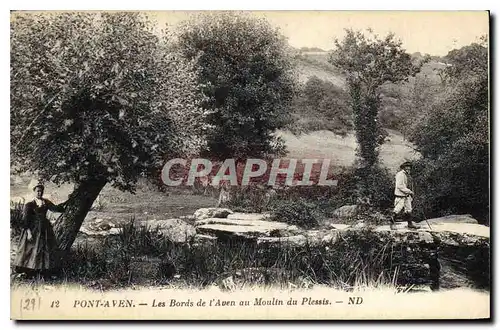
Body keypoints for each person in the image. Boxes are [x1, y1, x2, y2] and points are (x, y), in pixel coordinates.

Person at [13, 182, 67, 278]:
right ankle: (30, 271)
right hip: (33, 229)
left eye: (41, 191)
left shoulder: (46, 202)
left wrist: (68, 202)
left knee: (45, 249)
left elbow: (55, 208)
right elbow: (25, 221)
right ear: (34, 192)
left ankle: (43, 271)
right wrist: (29, 233)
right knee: (31, 249)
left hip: (45, 229)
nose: (39, 193)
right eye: (38, 191)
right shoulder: (29, 204)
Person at [390, 161, 418, 230]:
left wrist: (410, 193)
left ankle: (410, 224)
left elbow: (409, 185)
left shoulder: (407, 175)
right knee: (397, 209)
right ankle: (392, 223)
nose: (408, 169)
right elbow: (400, 186)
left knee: (408, 209)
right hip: (400, 195)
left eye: (409, 168)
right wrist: (409, 191)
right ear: (404, 168)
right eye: (407, 168)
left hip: (407, 195)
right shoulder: (400, 174)